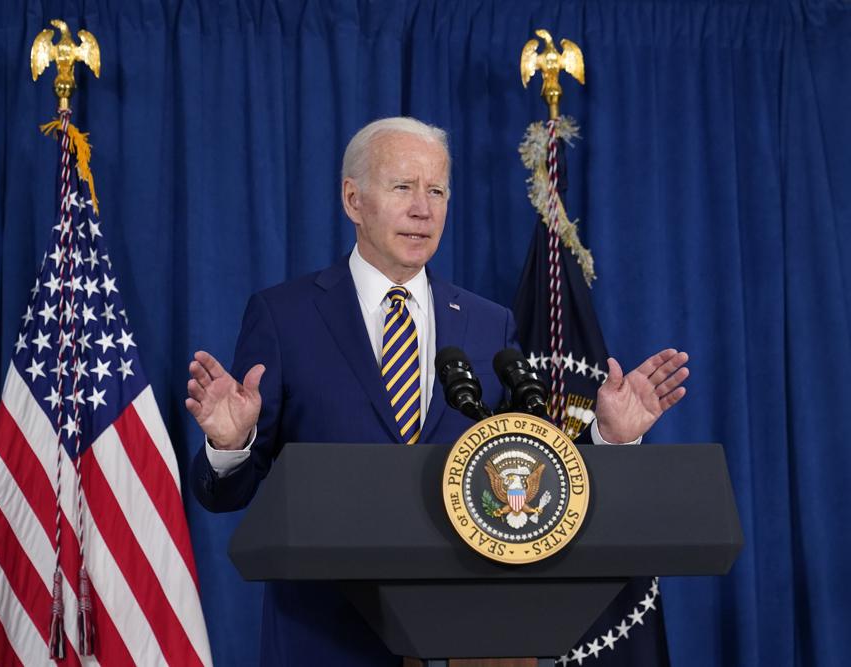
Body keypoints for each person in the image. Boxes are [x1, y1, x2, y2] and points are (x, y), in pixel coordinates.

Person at [186, 117, 689, 666]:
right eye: (402, 187)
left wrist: (607, 436)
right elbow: (225, 497)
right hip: (326, 639)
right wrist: (231, 447)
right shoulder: (284, 317)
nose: (423, 209)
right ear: (353, 200)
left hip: (470, 638)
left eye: (437, 191)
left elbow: (532, 473)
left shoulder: (486, 324)